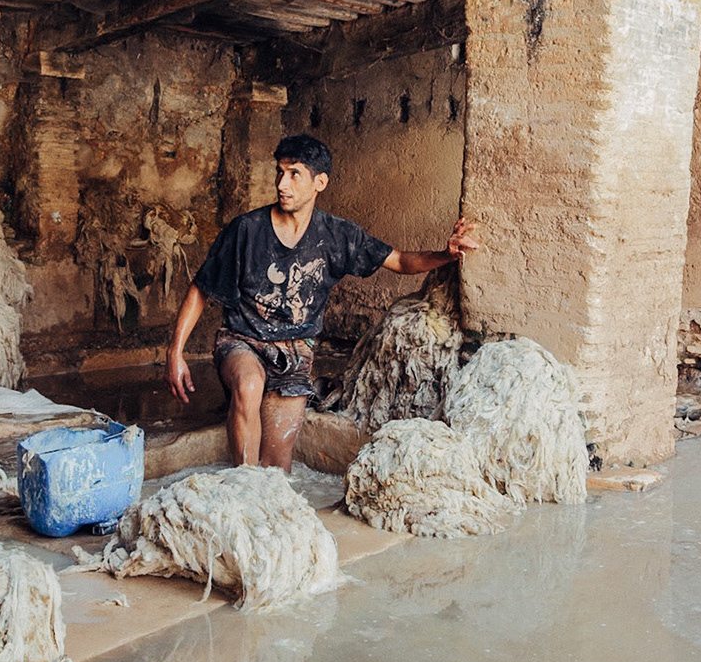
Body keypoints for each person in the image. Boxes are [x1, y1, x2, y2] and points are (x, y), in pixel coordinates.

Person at [166, 133, 479, 468]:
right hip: (242, 340)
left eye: (294, 174)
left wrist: (446, 255)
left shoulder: (338, 236)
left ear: (320, 182)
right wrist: (176, 351)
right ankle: (243, 483)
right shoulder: (246, 230)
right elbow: (201, 288)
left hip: (296, 350)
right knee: (249, 384)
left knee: (278, 469)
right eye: (280, 172)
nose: (282, 184)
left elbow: (400, 261)